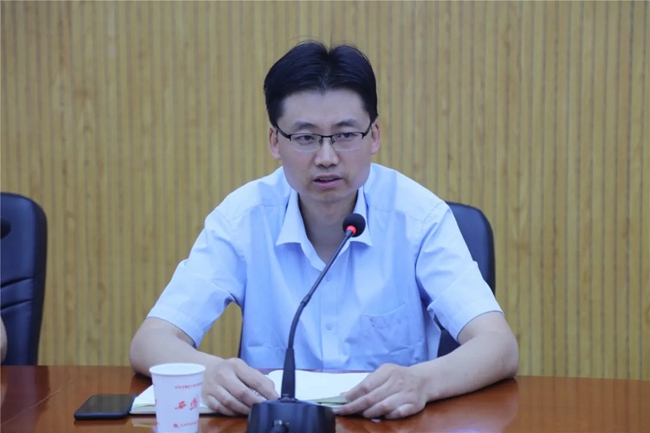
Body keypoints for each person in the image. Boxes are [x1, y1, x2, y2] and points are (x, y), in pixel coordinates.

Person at [130, 41, 519, 420]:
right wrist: (210, 372)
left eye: (346, 135)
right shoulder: (243, 220)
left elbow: (498, 345)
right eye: (306, 138)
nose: (327, 157)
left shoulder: (419, 219)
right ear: (275, 142)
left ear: (374, 136)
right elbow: (150, 341)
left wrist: (422, 381)